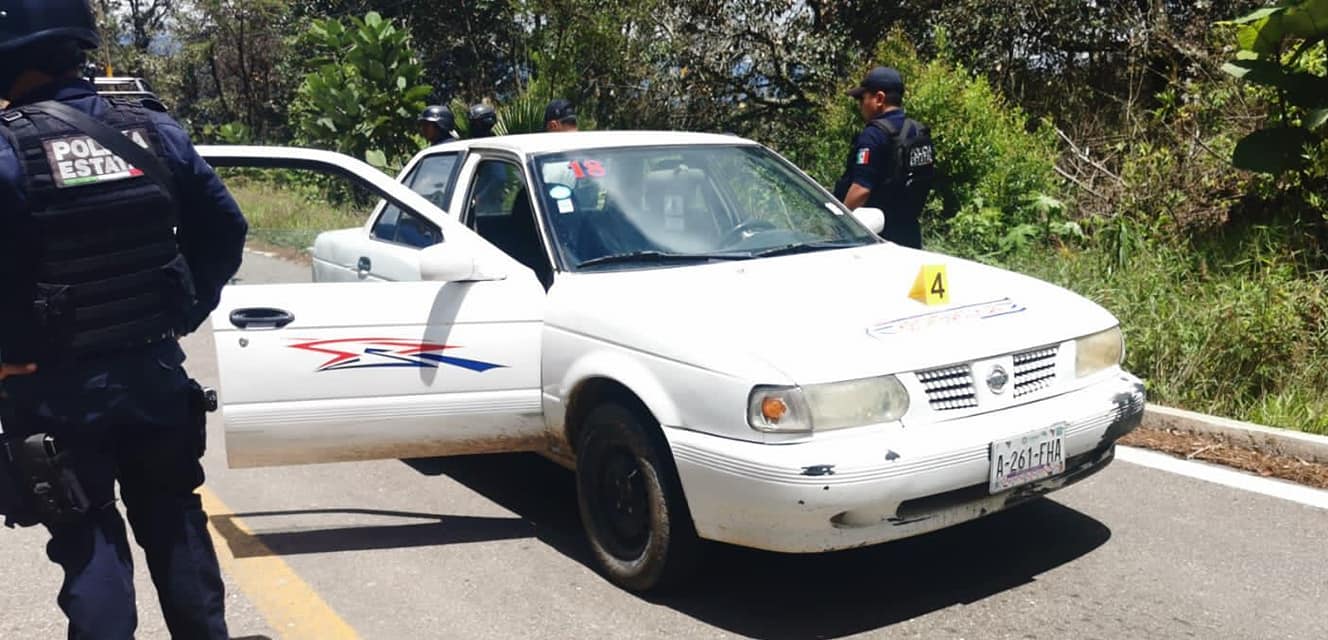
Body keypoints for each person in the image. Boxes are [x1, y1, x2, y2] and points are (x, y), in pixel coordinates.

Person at [0, 1, 247, 638]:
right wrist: (182, 309)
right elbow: (223, 225)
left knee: (89, 542)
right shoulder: (153, 130)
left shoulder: (6, 150)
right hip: (154, 371)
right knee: (175, 525)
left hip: (55, 389)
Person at [833, 66, 935, 249]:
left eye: (862, 98)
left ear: (879, 99)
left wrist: (841, 226)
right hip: (910, 233)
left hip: (876, 237)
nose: (860, 105)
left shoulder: (873, 135)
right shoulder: (917, 131)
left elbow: (861, 189)